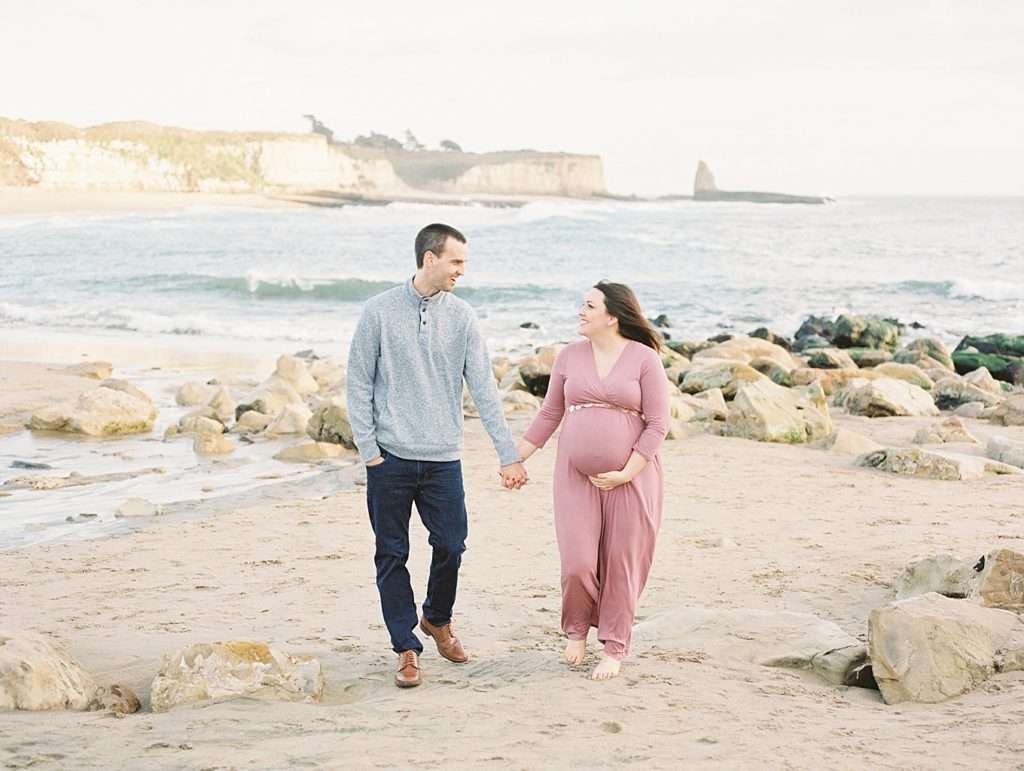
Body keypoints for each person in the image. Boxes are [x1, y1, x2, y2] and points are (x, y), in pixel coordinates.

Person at [346, 223, 528, 689]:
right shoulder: (379, 312)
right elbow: (358, 382)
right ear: (430, 258)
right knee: (392, 553)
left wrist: (508, 455)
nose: (461, 272)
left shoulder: (463, 317)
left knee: (451, 544)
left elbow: (483, 388)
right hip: (390, 458)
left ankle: (436, 617)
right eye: (456, 262)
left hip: (444, 458)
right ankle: (406, 647)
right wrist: (369, 450)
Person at [516, 281, 669, 680]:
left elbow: (657, 424)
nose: (580, 312)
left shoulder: (643, 359)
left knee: (622, 562)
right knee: (578, 562)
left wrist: (626, 472)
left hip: (632, 478)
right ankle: (578, 629)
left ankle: (615, 647)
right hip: (574, 475)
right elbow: (550, 413)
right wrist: (514, 458)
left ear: (612, 316)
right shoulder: (569, 356)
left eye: (588, 306)